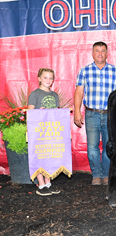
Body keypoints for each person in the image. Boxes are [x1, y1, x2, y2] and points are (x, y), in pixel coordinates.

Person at [74, 41, 116, 185]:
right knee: (92, 146)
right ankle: (96, 174)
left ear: (107, 54)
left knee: (110, 145)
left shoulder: (114, 71)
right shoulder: (85, 71)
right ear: (92, 53)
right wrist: (77, 111)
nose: (100, 53)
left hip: (110, 115)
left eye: (103, 51)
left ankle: (107, 174)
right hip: (92, 114)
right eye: (97, 50)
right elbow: (79, 92)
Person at [28, 68, 61, 196]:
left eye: (50, 78)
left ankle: (48, 183)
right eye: (45, 77)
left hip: (51, 132)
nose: (48, 80)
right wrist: (38, 112)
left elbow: (57, 113)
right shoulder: (35, 94)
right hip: (39, 132)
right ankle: (41, 184)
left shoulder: (54, 95)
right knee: (40, 156)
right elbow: (30, 113)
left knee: (50, 156)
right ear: (39, 79)